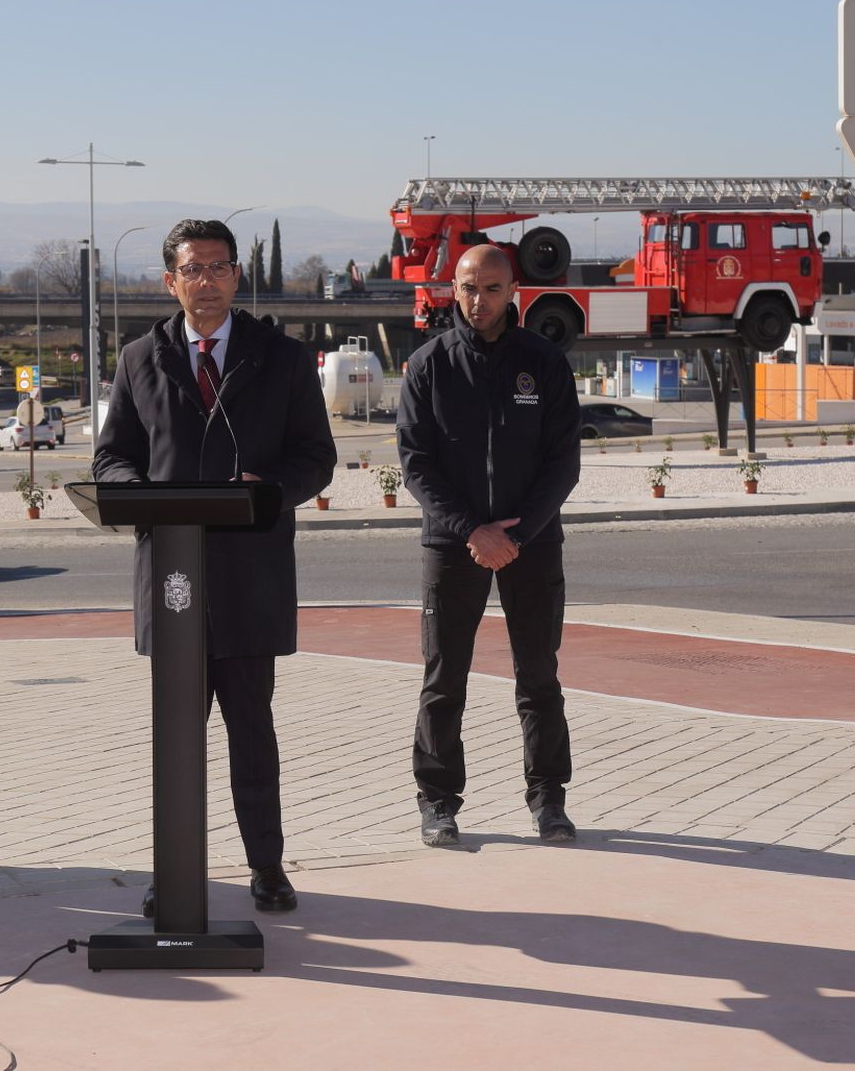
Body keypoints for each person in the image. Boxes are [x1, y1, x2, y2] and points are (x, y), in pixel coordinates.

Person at [93, 218, 336, 914]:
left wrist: (269, 491)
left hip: (249, 576)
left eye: (219, 267)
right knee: (175, 738)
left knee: (251, 732)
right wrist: (139, 496)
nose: (206, 281)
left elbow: (314, 457)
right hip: (171, 579)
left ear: (237, 276)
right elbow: (113, 456)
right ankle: (173, 869)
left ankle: (267, 865)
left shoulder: (281, 359)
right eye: (192, 269)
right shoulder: (141, 357)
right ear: (170, 281)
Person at [396, 243, 582, 848]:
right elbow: (417, 464)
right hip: (452, 545)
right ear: (454, 289)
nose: (479, 300)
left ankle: (548, 799)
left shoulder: (545, 363)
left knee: (539, 677)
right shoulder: (428, 365)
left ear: (513, 293)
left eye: (492, 289)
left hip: (531, 543)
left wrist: (517, 534)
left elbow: (563, 463)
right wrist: (471, 530)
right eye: (469, 288)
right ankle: (437, 801)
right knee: (444, 678)